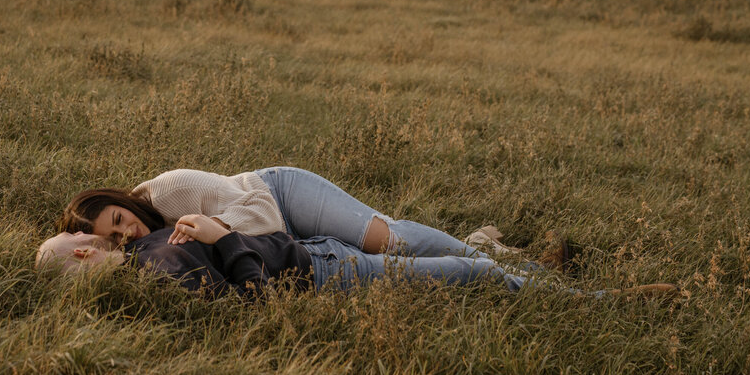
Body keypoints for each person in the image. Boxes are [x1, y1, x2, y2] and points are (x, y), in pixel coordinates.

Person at [35, 216, 678, 300]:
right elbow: (244, 294)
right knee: (473, 274)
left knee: (439, 244)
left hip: (312, 246)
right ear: (86, 257)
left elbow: (225, 240)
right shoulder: (159, 274)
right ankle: (601, 302)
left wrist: (215, 228)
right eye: (83, 243)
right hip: (324, 271)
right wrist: (230, 245)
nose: (99, 240)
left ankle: (541, 271)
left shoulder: (149, 250)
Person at [60, 166, 566, 266]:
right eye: (117, 238)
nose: (132, 232)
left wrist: (223, 234)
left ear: (122, 201)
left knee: (389, 243)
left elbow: (257, 210)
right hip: (284, 247)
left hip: (281, 196)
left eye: (120, 218)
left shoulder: (170, 192)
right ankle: (478, 246)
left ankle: (502, 257)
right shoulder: (146, 253)